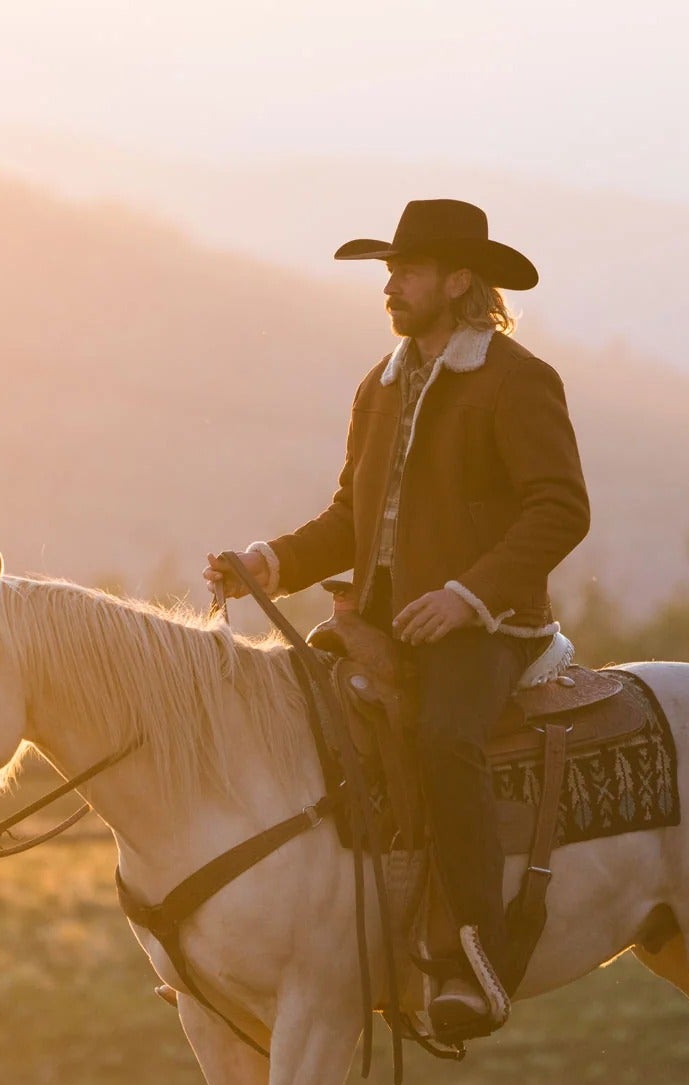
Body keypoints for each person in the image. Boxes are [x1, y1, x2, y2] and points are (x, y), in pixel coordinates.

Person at [206, 199, 589, 1038]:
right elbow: (354, 513)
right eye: (388, 271)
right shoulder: (380, 388)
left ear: (458, 281)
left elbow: (560, 510)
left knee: (447, 736)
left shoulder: (519, 381)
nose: (390, 286)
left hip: (490, 628)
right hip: (380, 621)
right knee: (299, 719)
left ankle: (473, 959)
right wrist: (272, 560)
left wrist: (466, 597)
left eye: (407, 271)